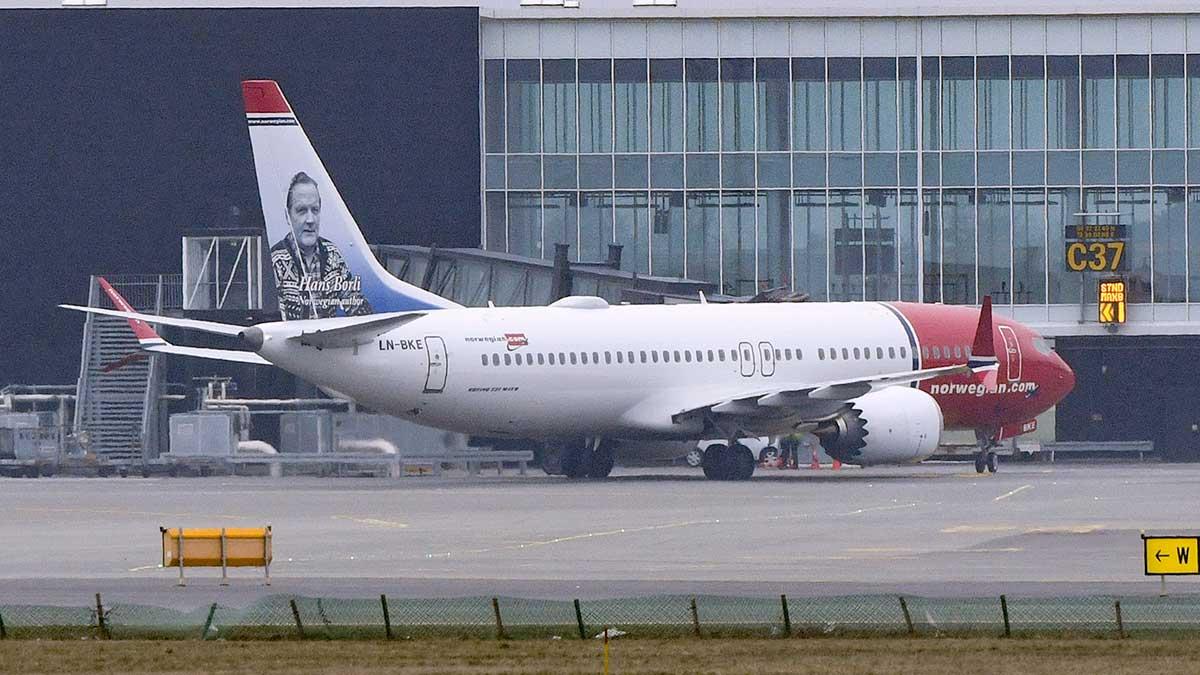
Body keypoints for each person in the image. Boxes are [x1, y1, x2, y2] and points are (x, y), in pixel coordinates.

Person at [270, 171, 373, 320]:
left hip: (328, 342)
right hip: (293, 342)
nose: (310, 220)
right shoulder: (275, 261)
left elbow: (355, 303)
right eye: (302, 211)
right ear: (288, 216)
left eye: (315, 210)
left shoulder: (333, 254)